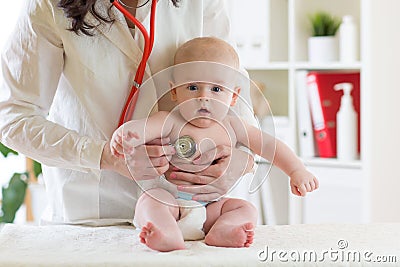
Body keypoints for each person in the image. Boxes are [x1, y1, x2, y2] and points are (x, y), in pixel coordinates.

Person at [0, 0, 255, 225]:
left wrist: (242, 159)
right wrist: (105, 157)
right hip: (93, 215)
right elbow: (13, 118)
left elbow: (232, 87)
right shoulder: (47, 4)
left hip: (195, 210)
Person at [111, 37, 319, 252]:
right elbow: (142, 128)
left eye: (216, 89)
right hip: (172, 203)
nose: (204, 97)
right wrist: (125, 135)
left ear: (234, 96)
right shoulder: (169, 120)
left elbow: (270, 146)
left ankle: (224, 230)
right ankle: (164, 231)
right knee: (150, 201)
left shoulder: (234, 126)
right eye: (192, 87)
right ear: (174, 91)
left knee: (243, 208)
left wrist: (296, 170)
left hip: (211, 207)